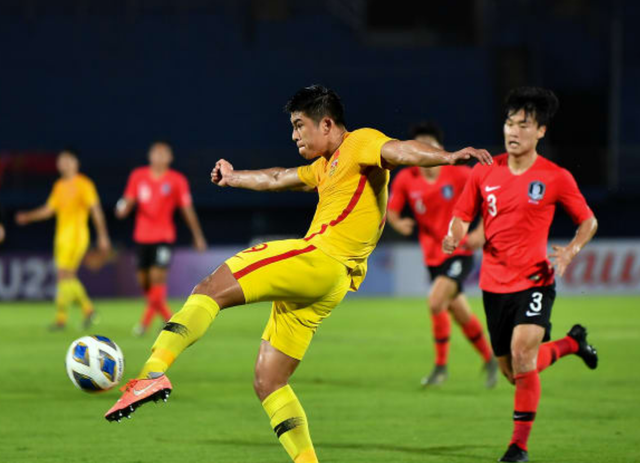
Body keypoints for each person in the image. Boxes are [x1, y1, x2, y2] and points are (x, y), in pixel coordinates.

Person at [104, 85, 493, 463]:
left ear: (326, 124)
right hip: (331, 283)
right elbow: (278, 177)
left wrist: (449, 157)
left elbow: (400, 150)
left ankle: (152, 372)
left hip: (320, 258)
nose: (293, 135)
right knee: (269, 381)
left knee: (211, 287)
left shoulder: (359, 143)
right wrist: (234, 176)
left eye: (298, 125)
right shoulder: (326, 167)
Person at [443, 87, 599, 462]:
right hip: (493, 285)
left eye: (523, 125)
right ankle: (572, 344)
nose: (513, 131)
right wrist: (453, 235)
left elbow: (588, 220)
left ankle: (518, 447)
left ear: (541, 132)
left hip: (535, 280)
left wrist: (572, 250)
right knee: (515, 371)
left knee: (522, 353)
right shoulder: (484, 170)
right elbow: (463, 215)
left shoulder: (555, 177)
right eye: (509, 123)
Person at [387, 121, 497, 388]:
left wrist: (481, 232)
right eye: (420, 146)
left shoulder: (459, 175)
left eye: (430, 145)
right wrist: (398, 223)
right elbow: (391, 210)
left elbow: (489, 201)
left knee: (436, 301)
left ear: (440, 149)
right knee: (459, 313)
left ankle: (440, 367)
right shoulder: (406, 178)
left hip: (459, 251)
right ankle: (490, 359)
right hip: (433, 256)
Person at [115, 141, 207, 336]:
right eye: (156, 153)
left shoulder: (176, 180)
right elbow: (129, 199)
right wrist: (122, 208)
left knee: (157, 278)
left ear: (170, 158)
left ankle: (150, 323)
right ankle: (169, 318)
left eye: (163, 153)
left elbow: (186, 209)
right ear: (150, 156)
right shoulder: (138, 176)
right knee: (144, 282)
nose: (159, 156)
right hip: (142, 237)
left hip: (164, 237)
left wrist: (197, 235)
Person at [16, 149, 111, 329]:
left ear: (76, 163)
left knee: (64, 275)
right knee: (65, 277)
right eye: (61, 160)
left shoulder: (84, 184)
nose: (64, 163)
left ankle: (65, 317)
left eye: (68, 160)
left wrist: (103, 235)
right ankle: (86, 311)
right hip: (61, 237)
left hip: (76, 236)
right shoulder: (59, 186)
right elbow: (48, 210)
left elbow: (95, 210)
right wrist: (28, 216)